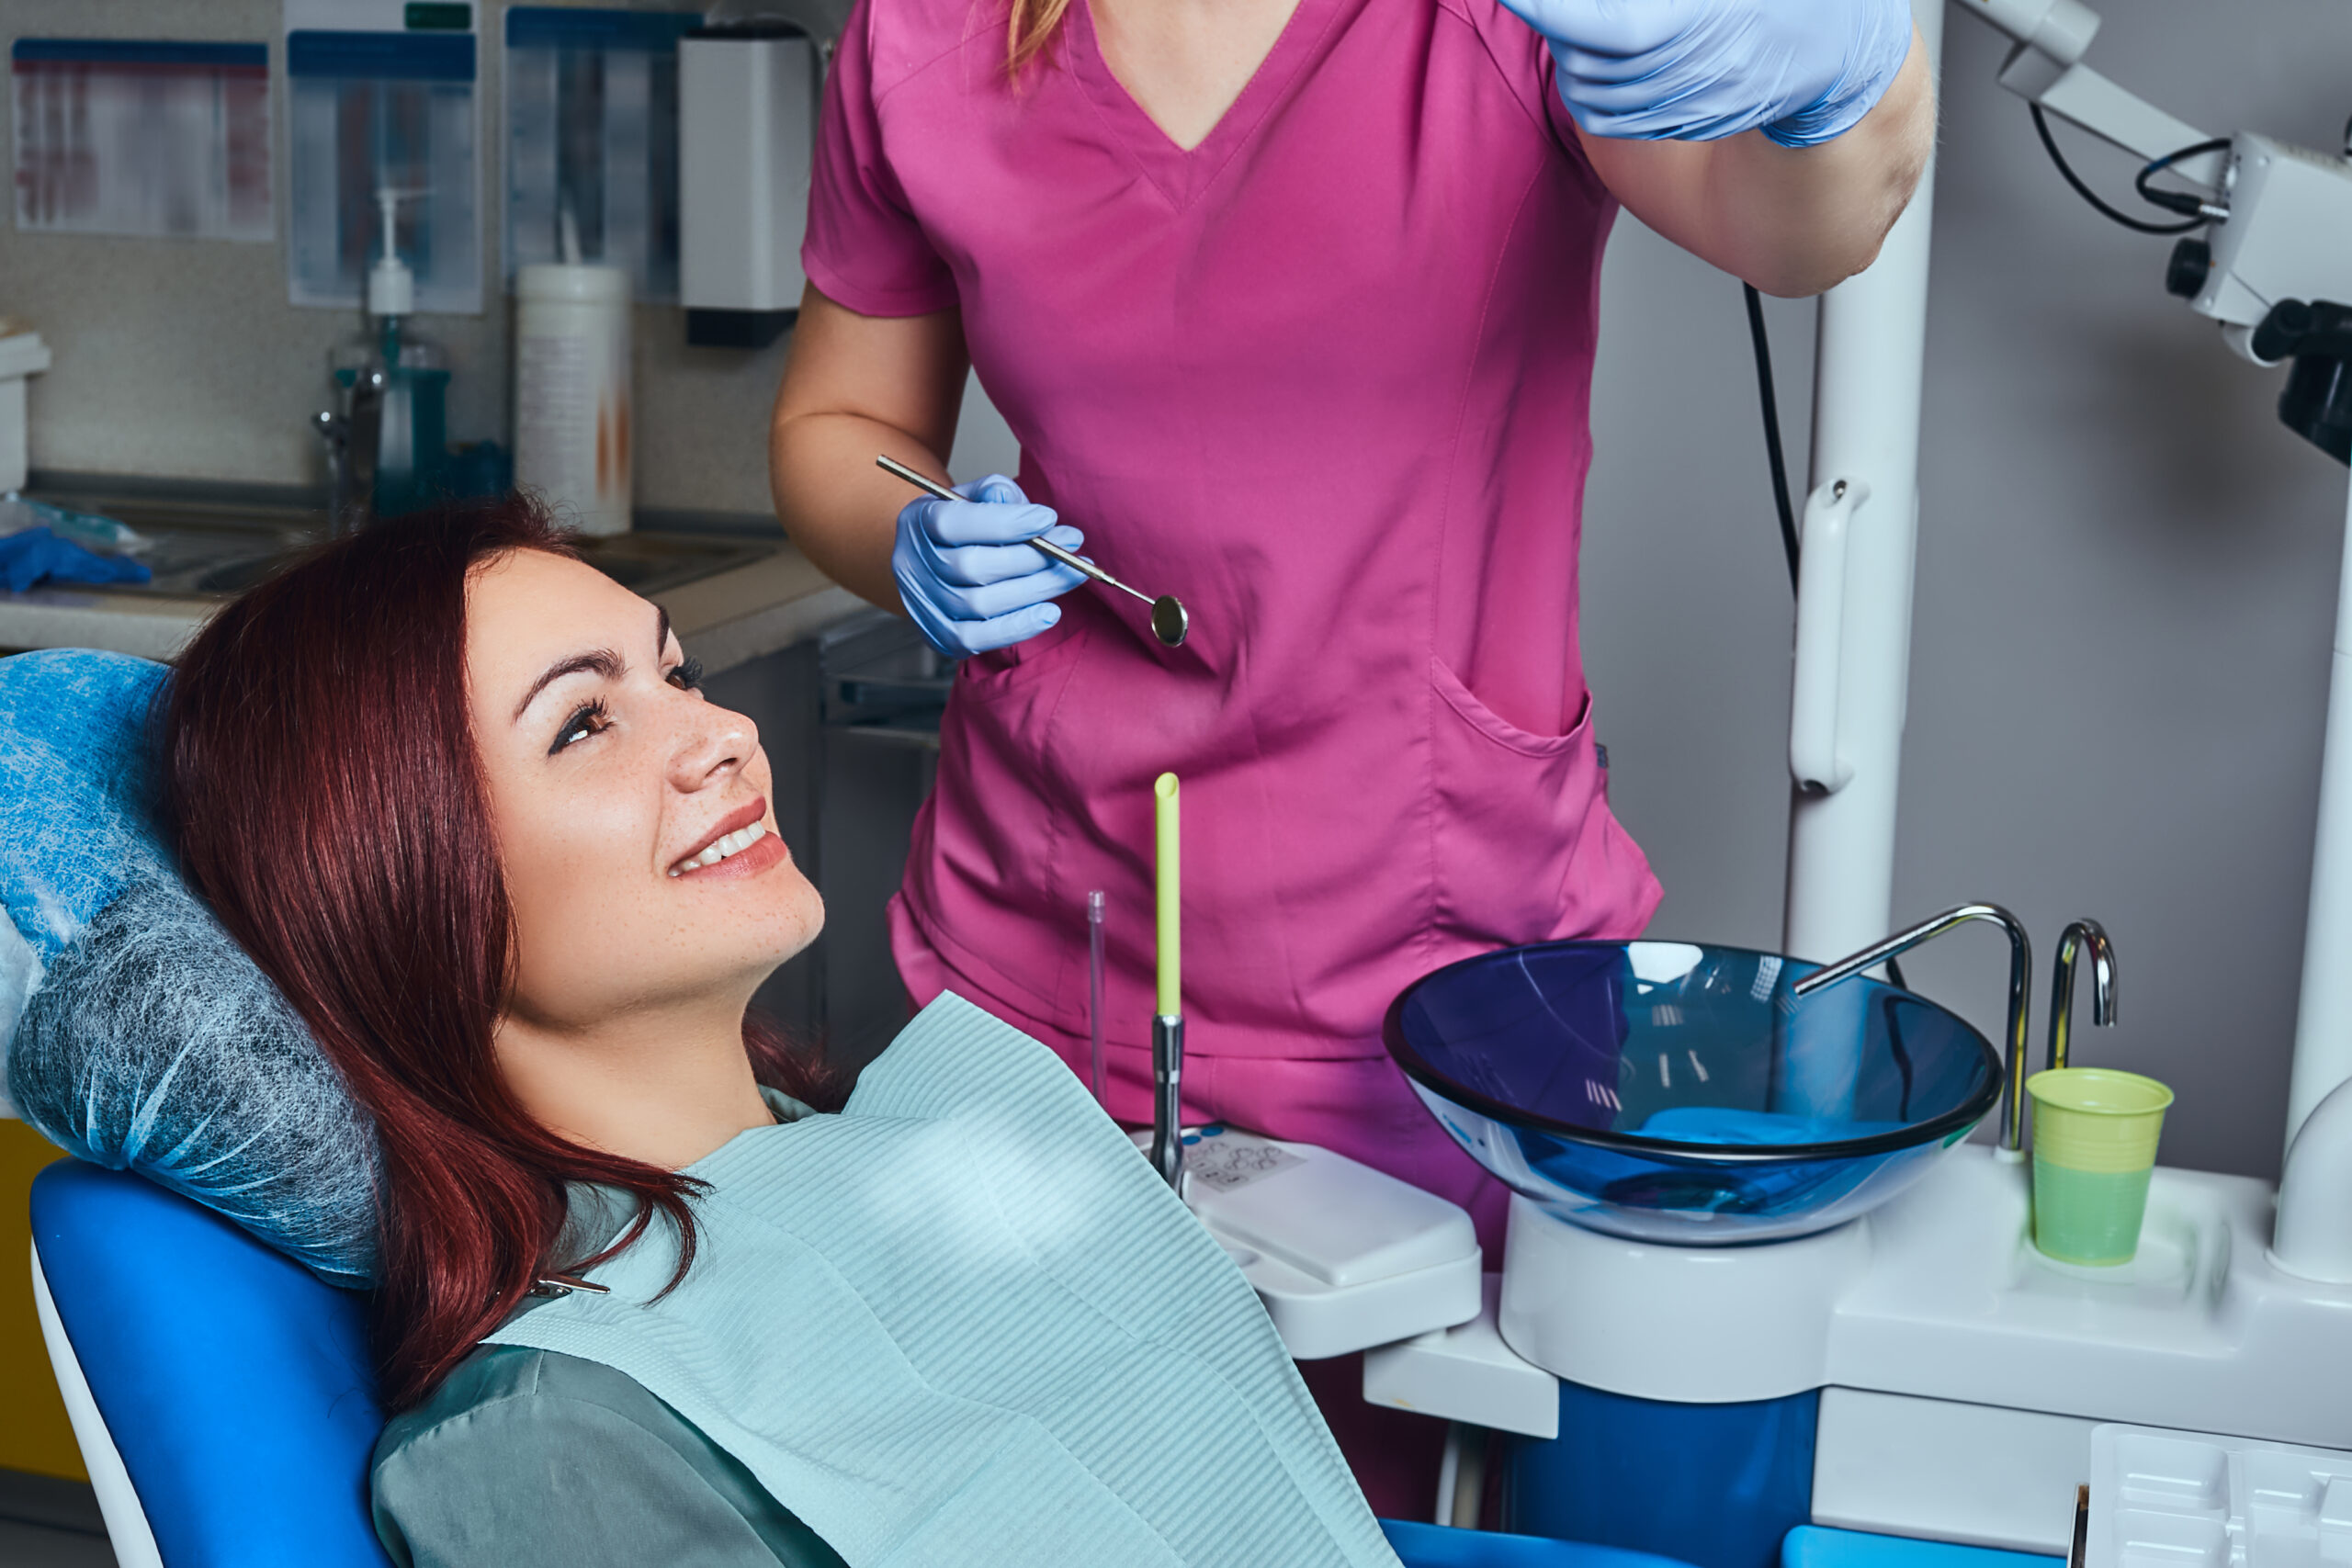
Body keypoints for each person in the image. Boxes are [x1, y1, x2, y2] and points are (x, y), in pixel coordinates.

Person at [768, 0, 1933, 1508]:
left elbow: (1799, 231)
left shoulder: (1489, 22)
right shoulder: (929, 35)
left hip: (1430, 968)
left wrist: (1856, 78)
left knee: (1398, 1512)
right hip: (1048, 947)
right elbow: (838, 417)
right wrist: (906, 533)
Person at [162, 498, 1396, 1568]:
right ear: (404, 888)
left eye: (679, 673)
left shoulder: (890, 1166)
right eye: (586, 723)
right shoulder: (554, 1439)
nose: (725, 736)